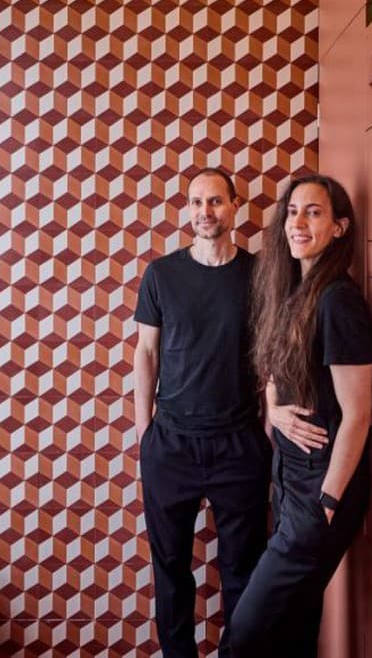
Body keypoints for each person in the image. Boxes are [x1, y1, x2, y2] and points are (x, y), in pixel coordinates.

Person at [229, 174, 372, 658]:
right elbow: (275, 367)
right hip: (290, 483)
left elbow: (358, 413)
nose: (298, 223)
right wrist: (273, 406)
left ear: (339, 227)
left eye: (313, 212)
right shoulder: (297, 290)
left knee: (245, 634)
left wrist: (326, 501)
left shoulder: (337, 301)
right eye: (292, 212)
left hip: (319, 491)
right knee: (292, 632)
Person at [133, 167, 273, 658]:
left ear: (234, 206)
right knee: (170, 569)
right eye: (196, 202)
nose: (204, 212)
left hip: (240, 443)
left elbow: (272, 355)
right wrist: (145, 432)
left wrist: (269, 429)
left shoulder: (259, 275)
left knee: (244, 571)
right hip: (170, 444)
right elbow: (146, 353)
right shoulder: (161, 275)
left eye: (215, 201)